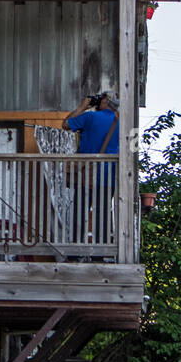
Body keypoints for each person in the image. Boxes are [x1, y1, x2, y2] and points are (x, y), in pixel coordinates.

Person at [62, 93, 119, 248]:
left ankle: (76, 251)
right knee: (104, 213)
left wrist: (82, 106)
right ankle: (102, 252)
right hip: (109, 174)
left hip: (86, 173)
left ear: (106, 100)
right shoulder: (122, 121)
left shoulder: (90, 117)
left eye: (101, 98)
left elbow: (66, 124)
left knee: (79, 212)